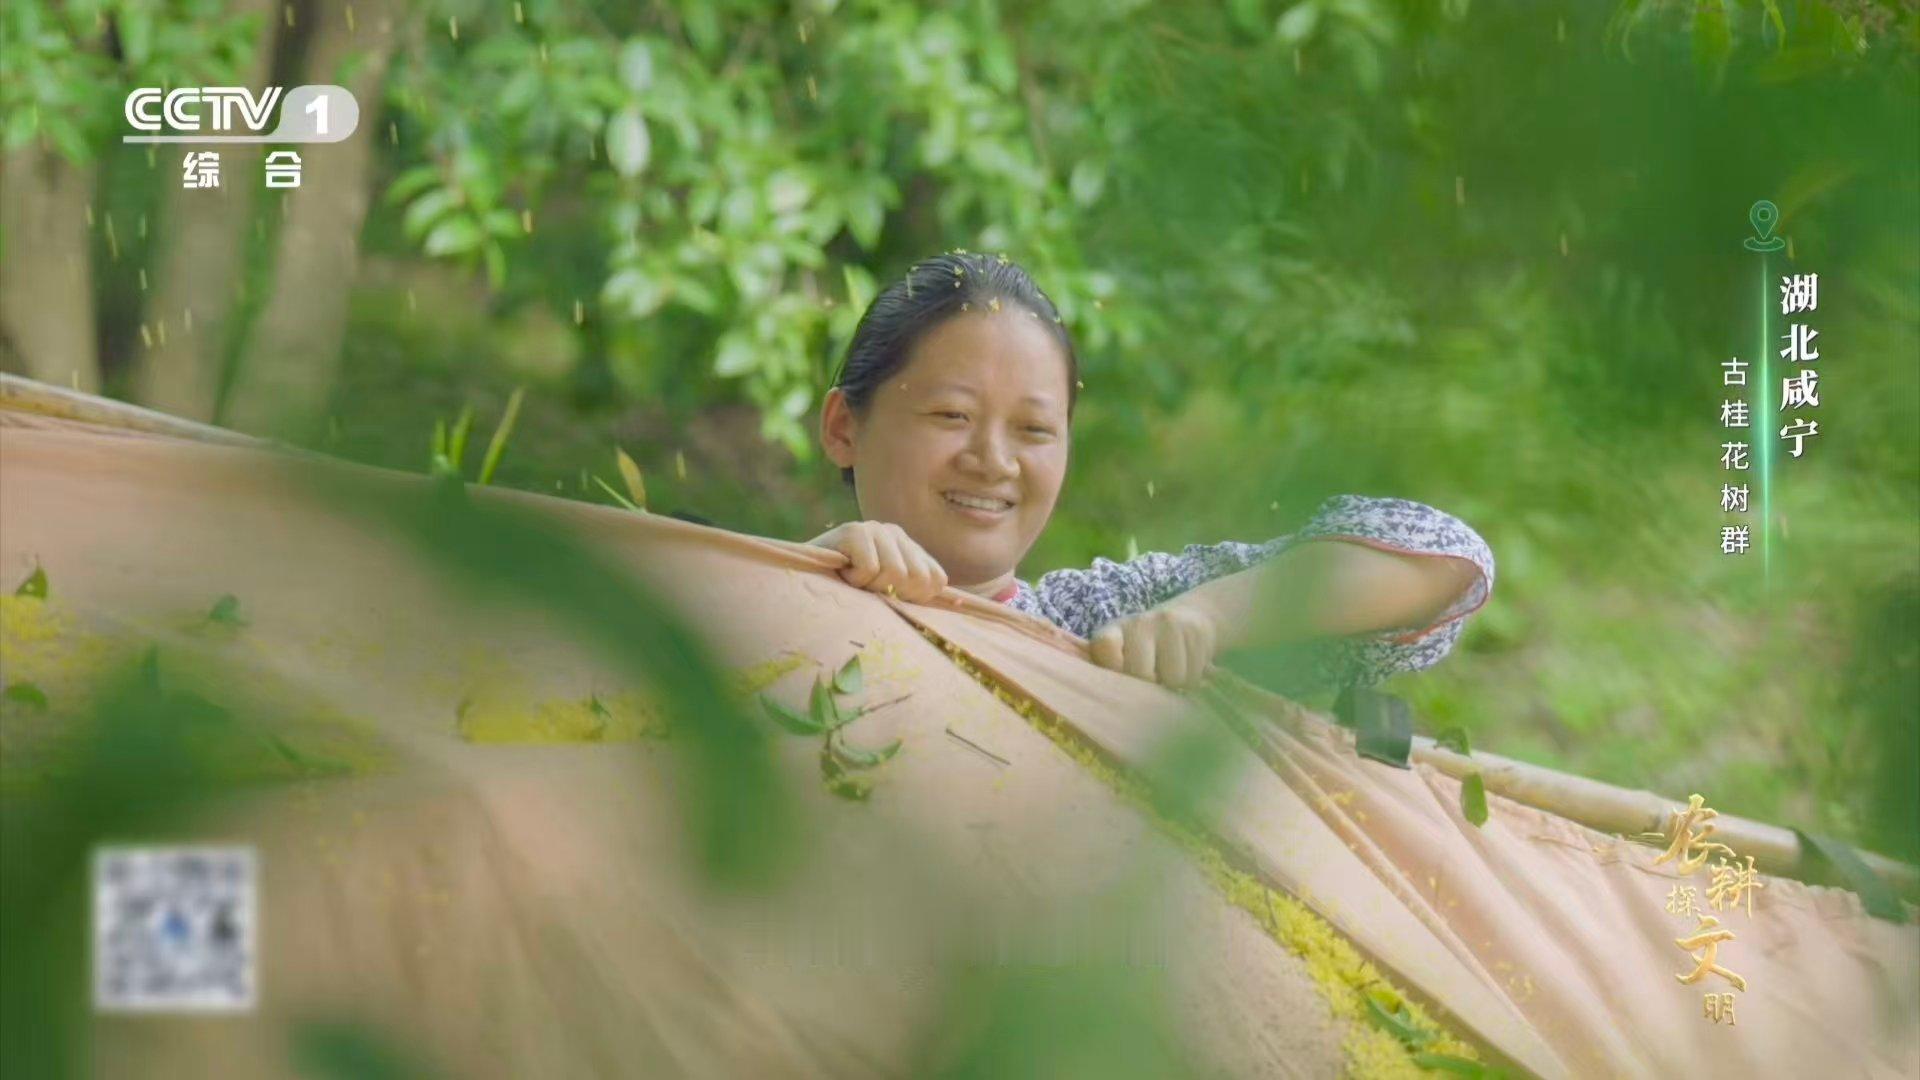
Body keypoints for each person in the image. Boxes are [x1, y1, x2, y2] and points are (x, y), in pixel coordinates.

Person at [808, 251, 1493, 694]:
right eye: (953, 416)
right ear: (844, 428)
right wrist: (798, 585)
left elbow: (1445, 559)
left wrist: (1208, 617)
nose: (994, 460)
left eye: (1034, 430)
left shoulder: (1101, 626)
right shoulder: (742, 611)